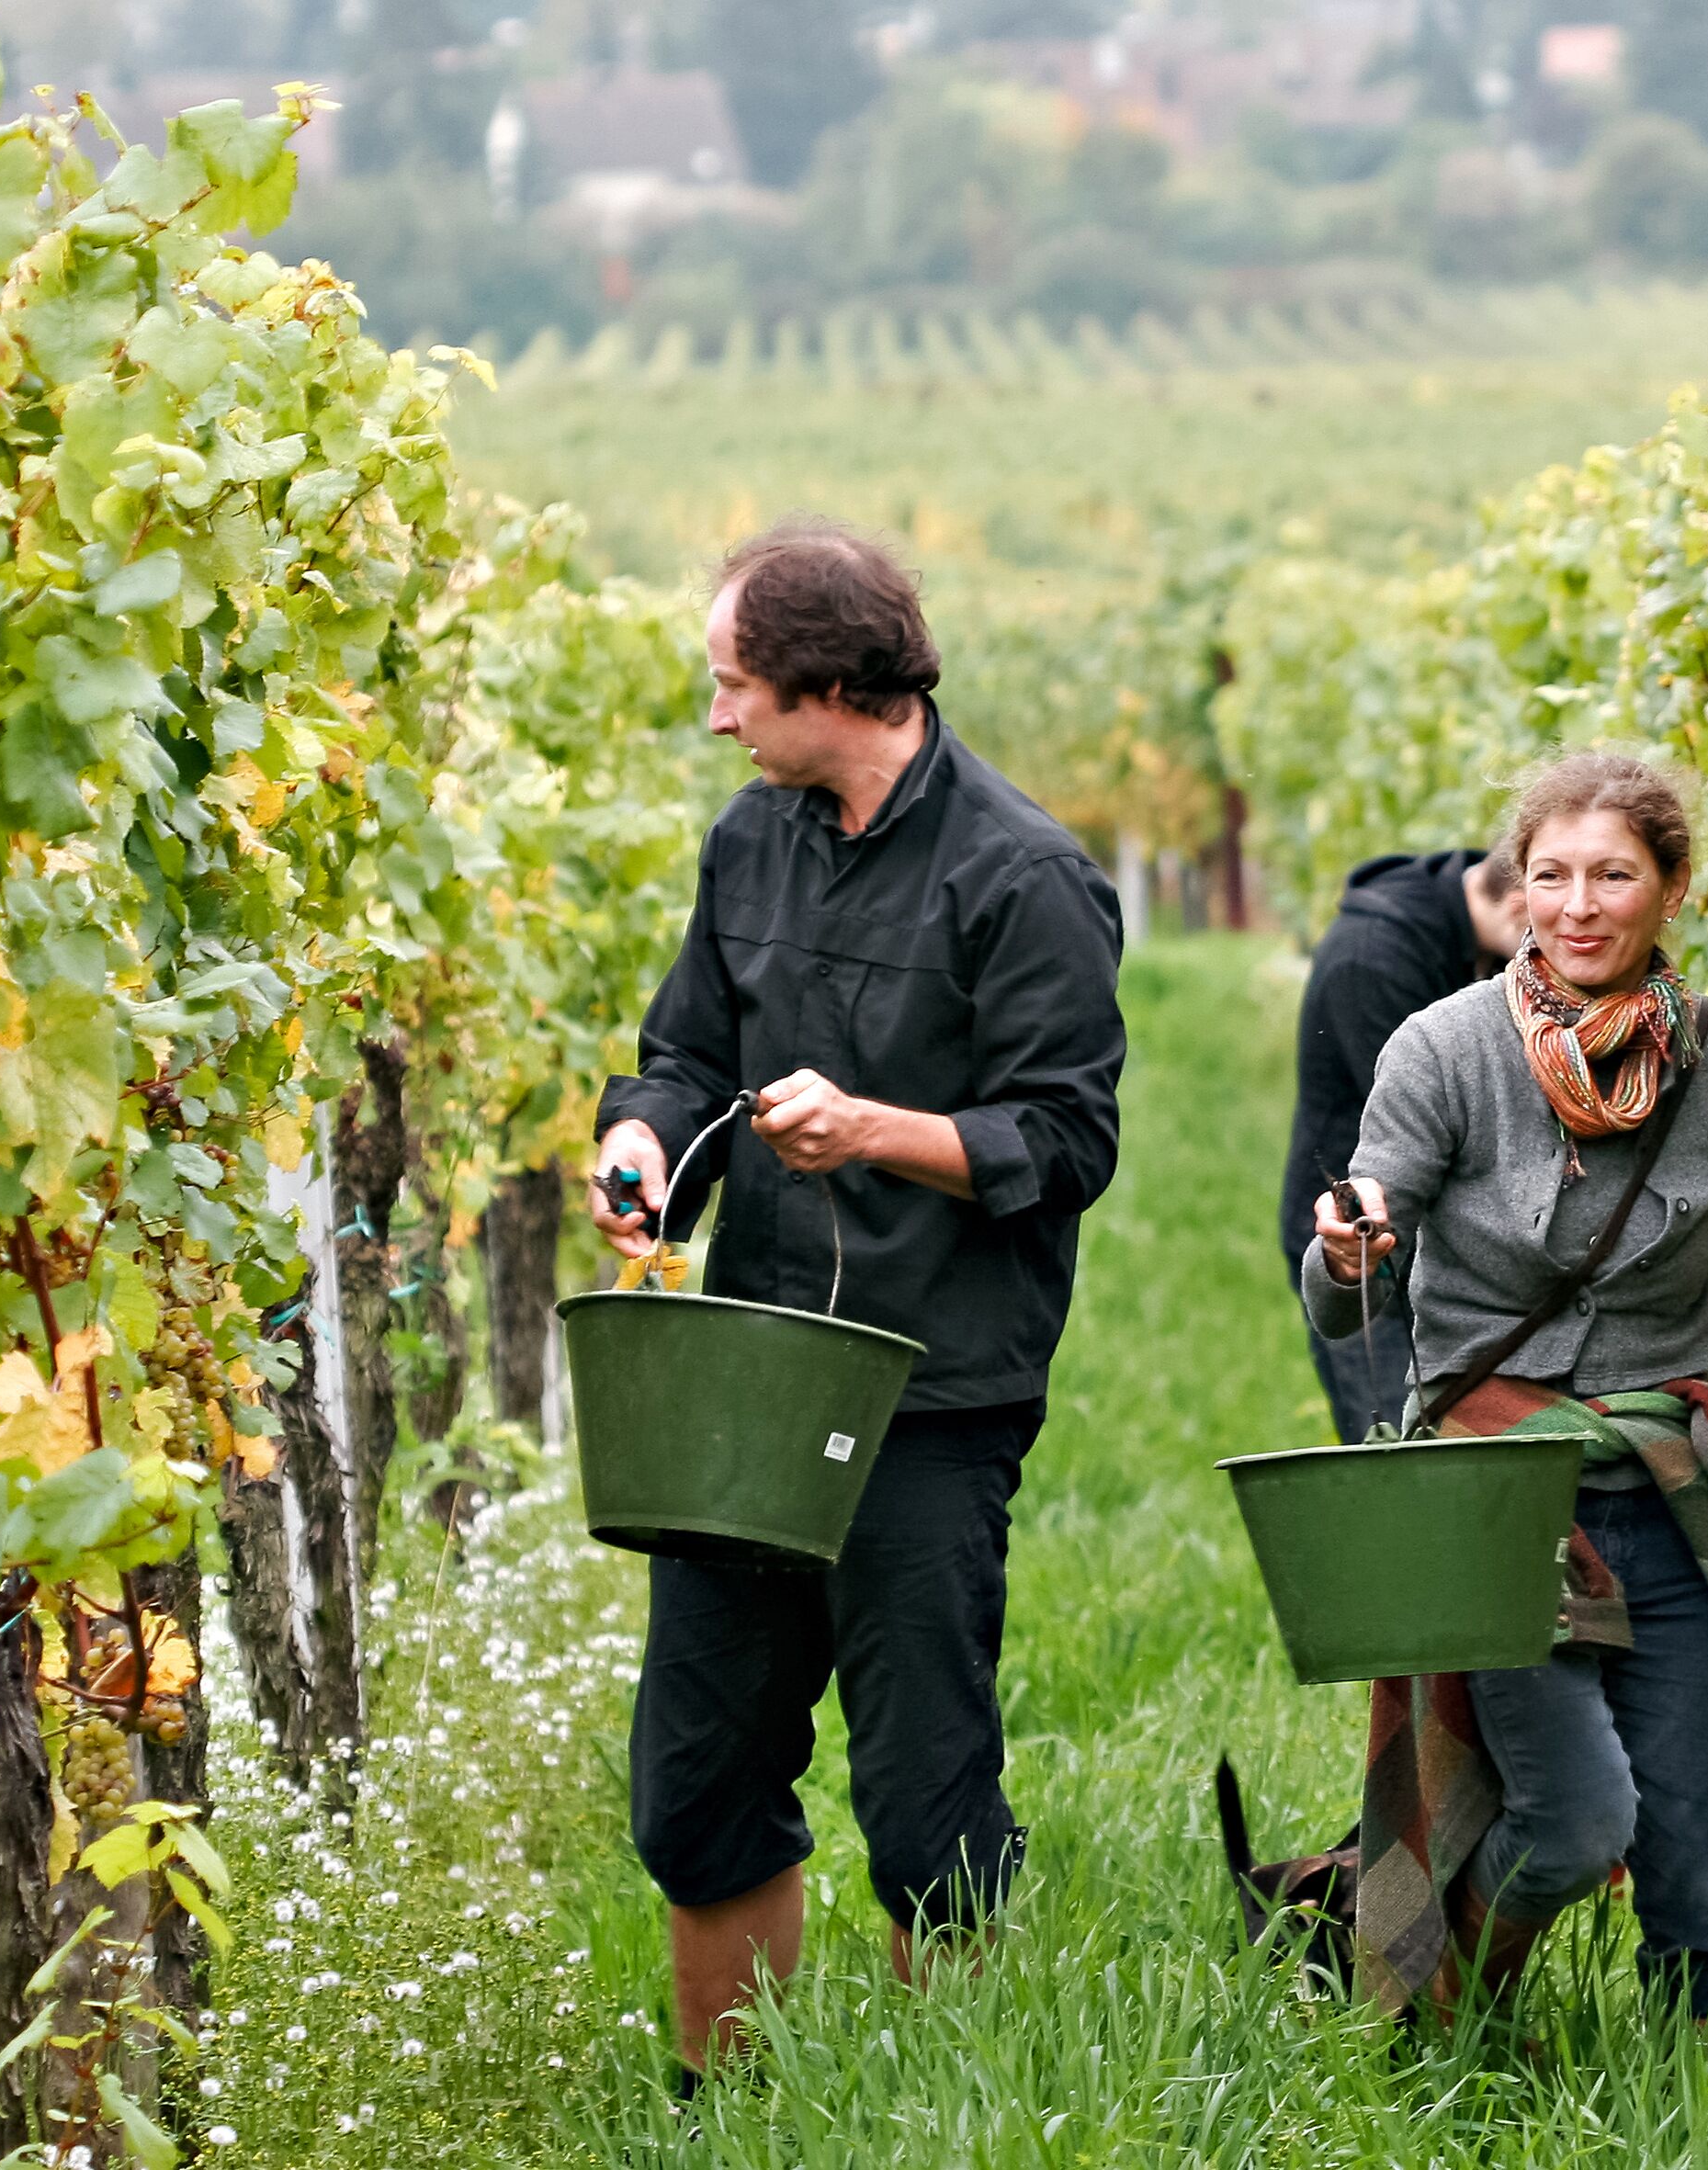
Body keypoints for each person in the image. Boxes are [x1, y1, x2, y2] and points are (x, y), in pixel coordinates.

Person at [590, 518, 1125, 2074]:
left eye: (733, 686)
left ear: (830, 684)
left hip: (933, 1386)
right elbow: (686, 1047)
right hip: (748, 1369)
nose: (716, 718)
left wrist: (871, 1130)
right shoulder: (748, 839)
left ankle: (921, 2112)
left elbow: (1069, 1137)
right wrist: (641, 1142)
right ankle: (726, 2104)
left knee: (924, 1796)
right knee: (693, 1778)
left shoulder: (1023, 877)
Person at [1305, 750, 1708, 2036]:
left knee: (1696, 1837)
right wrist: (1349, 1244)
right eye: (1550, 875)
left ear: (1669, 890)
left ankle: (1706, 2096)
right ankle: (1438, 2006)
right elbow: (1363, 1232)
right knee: (1575, 1818)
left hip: (1665, 1485)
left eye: (1611, 875)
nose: (1578, 904)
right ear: (1517, 889)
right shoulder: (1442, 1048)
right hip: (1496, 1494)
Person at [1281, 848, 1523, 1441]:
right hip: (1357, 1238)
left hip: (1417, 1229)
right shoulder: (1375, 962)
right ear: (1519, 905)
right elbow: (1429, 1120)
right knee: (1396, 1446)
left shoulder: (1458, 929)